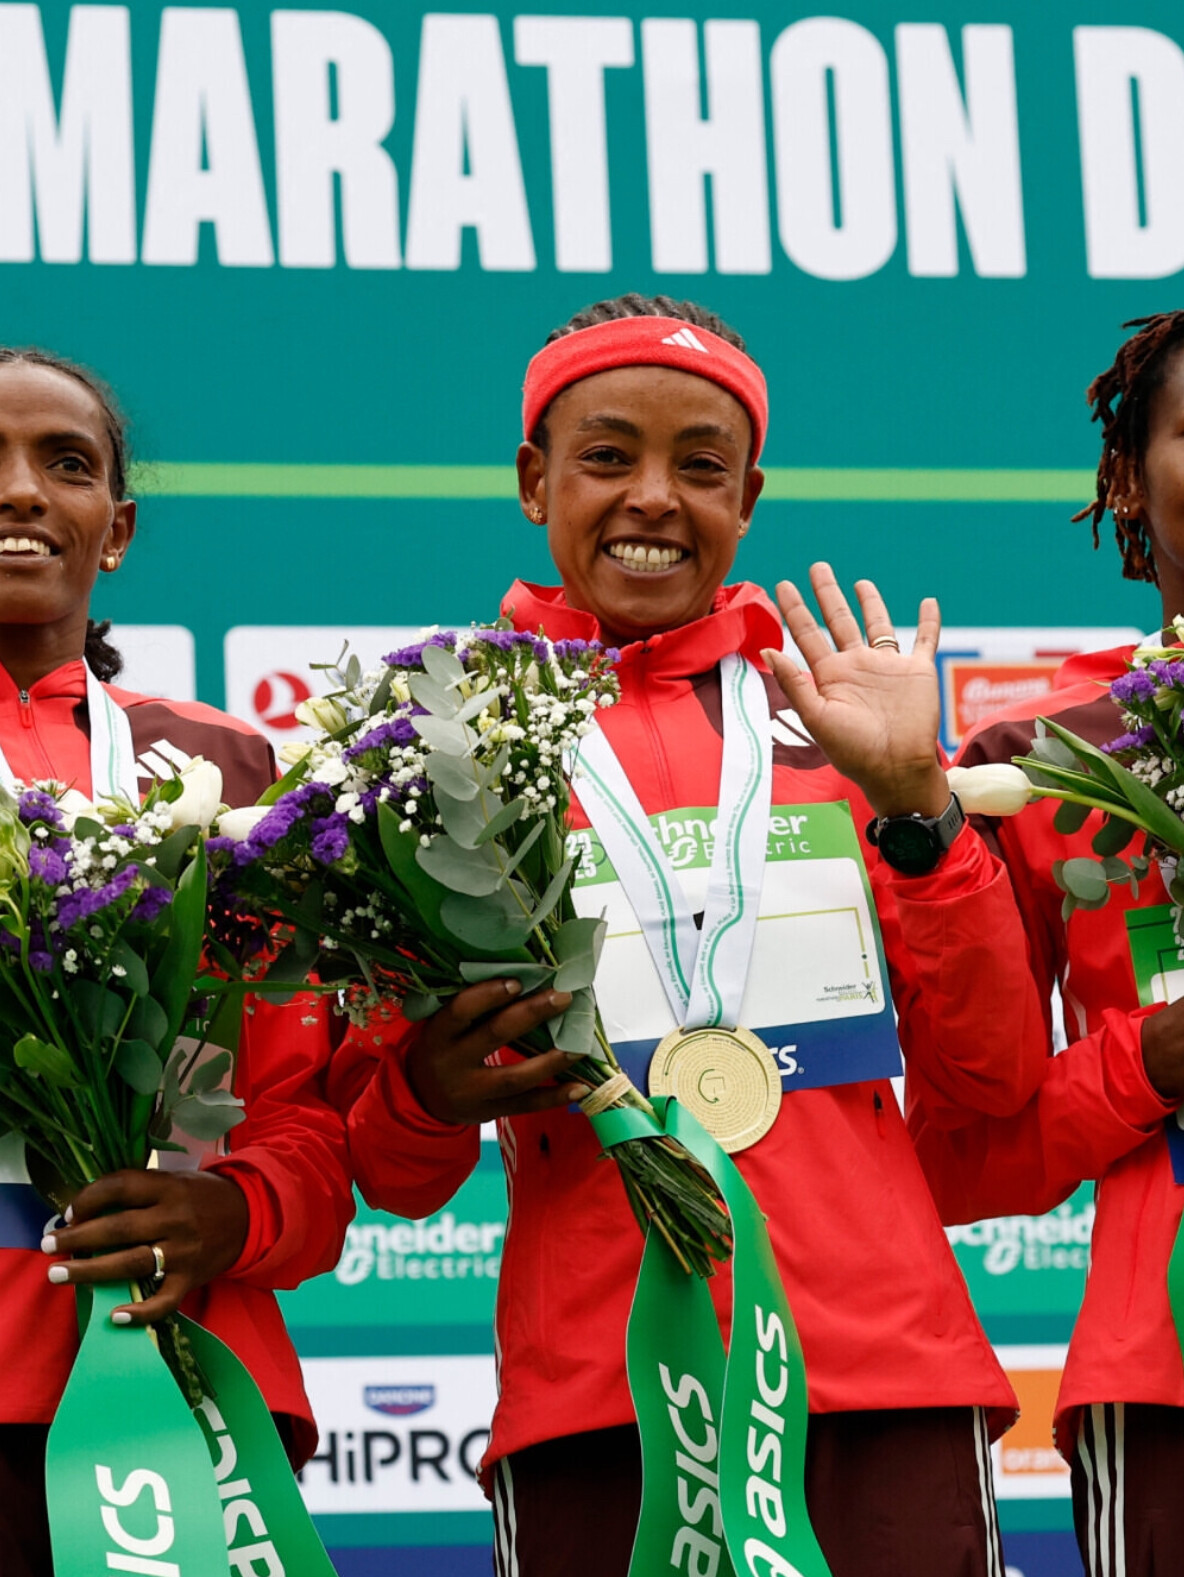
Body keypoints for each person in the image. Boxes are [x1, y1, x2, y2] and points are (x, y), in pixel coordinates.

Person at [330, 294, 1048, 1576]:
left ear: (748, 497)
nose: (654, 497)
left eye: (701, 466)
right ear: (534, 480)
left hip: (879, 1377)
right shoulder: (440, 748)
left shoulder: (830, 721)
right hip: (601, 1391)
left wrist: (919, 809)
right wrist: (431, 1090)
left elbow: (992, 1072)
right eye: (608, 456)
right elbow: (395, 1172)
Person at [912, 261, 1184, 1577]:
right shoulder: (1042, 764)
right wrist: (1154, 1060)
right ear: (1128, 476)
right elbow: (964, 1156)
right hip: (1183, 1368)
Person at [0, 348, 353, 1577]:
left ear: (117, 529)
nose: (22, 490)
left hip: (184, 1381)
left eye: (65, 463)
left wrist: (234, 1210)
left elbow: (305, 1112)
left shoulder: (230, 771)